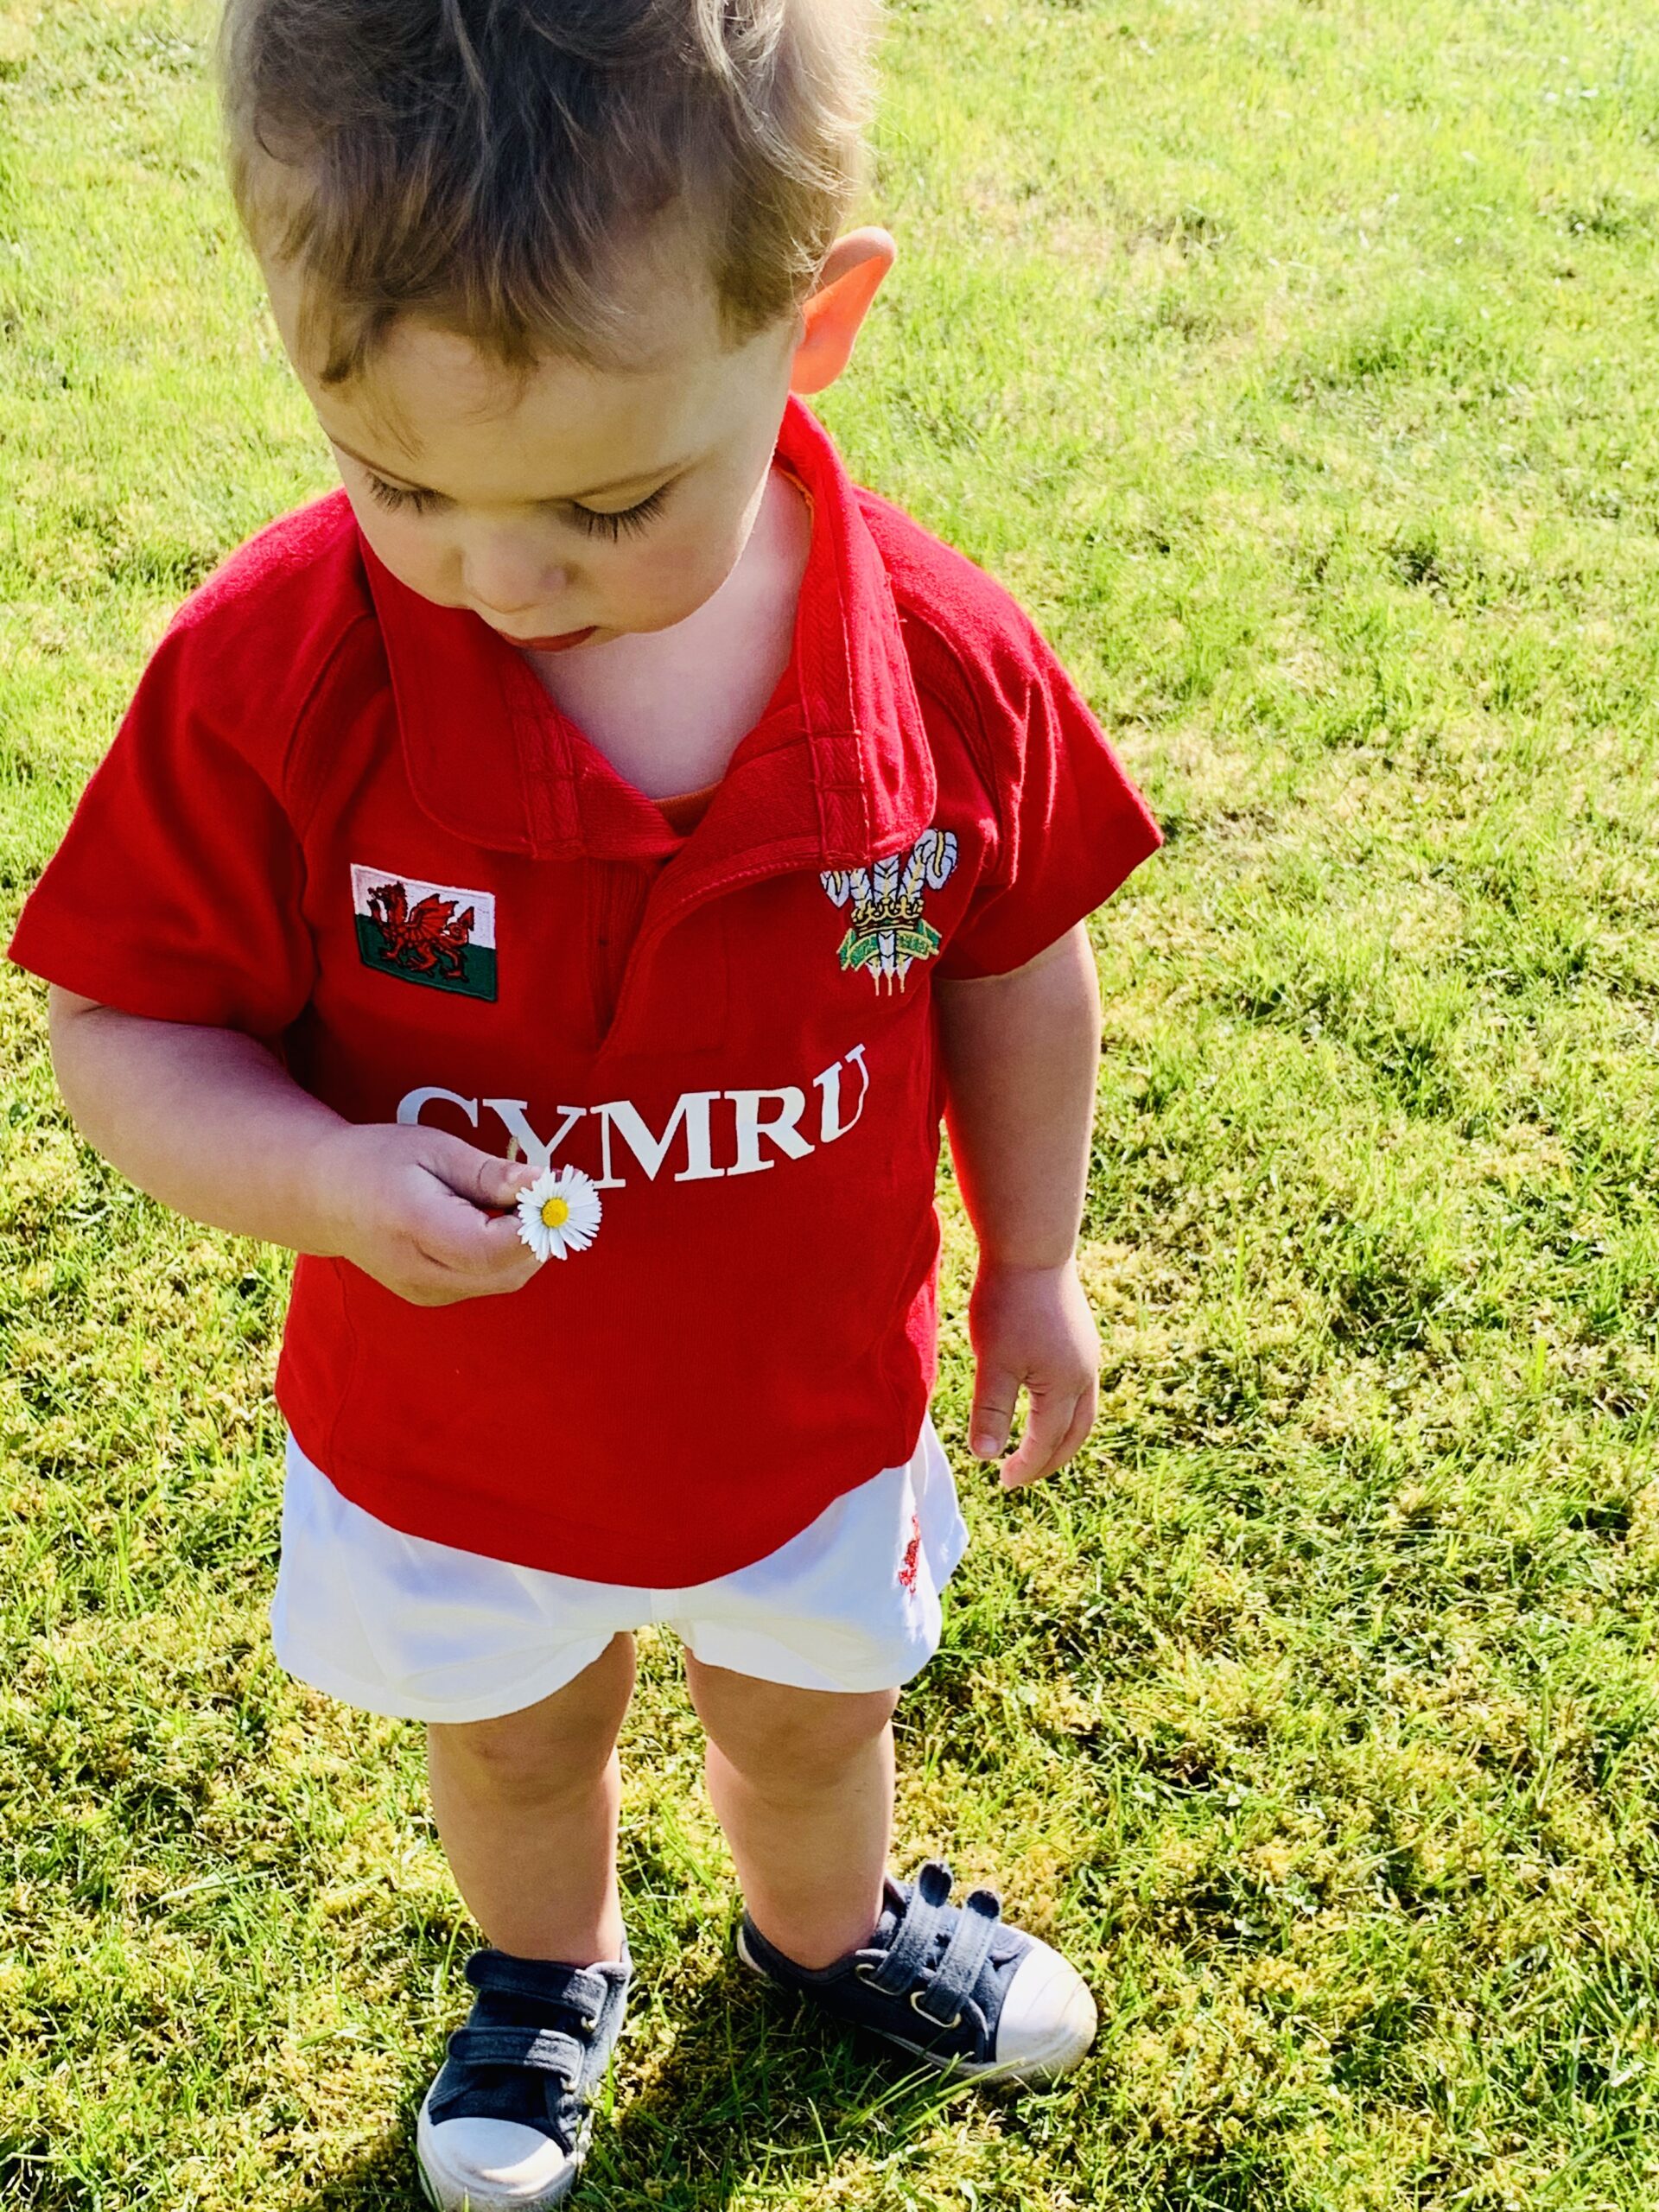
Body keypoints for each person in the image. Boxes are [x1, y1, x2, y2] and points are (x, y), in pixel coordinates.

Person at [9, 3, 1162, 2204]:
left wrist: (1031, 1259)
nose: (498, 575)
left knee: (815, 1721)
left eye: (608, 502)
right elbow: (121, 1028)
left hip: (810, 1420)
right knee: (520, 1747)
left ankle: (826, 1923)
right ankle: (545, 1973)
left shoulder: (938, 655)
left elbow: (1015, 956)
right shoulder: (280, 668)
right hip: (458, 1446)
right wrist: (322, 1172)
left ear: (814, 326)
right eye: (401, 481)